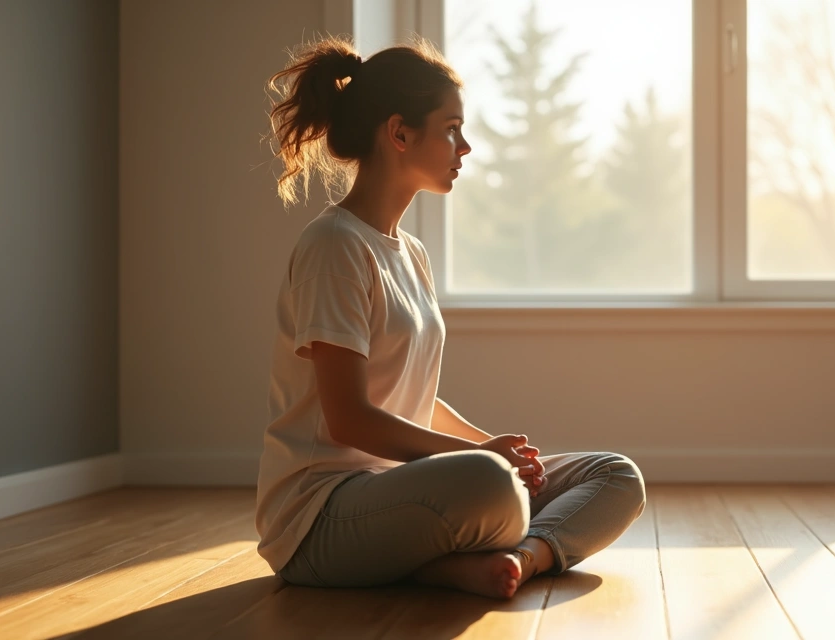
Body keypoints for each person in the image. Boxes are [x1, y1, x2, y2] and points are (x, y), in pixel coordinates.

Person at [252, 36, 647, 600]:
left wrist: (494, 447)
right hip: (320, 517)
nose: (465, 147)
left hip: (405, 492)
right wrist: (484, 461)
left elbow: (412, 399)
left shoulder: (409, 253)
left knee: (614, 474)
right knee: (490, 486)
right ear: (400, 133)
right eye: (452, 129)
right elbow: (351, 420)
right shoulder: (334, 247)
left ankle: (523, 559)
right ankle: (459, 556)